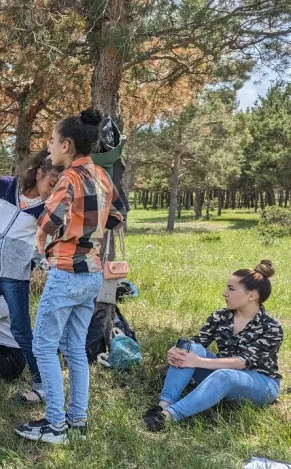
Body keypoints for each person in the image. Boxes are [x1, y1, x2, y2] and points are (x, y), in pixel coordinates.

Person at [15, 108, 126, 445]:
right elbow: (117, 216)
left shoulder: (69, 178)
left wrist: (49, 228)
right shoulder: (101, 175)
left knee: (43, 346)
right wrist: (90, 226)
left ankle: (55, 425)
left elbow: (49, 221)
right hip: (92, 273)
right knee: (75, 347)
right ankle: (77, 418)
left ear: (65, 145)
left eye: (52, 140)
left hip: (65, 272)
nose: (49, 146)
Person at [0, 149, 61, 393]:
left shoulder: (47, 208)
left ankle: (40, 384)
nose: (52, 190)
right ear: (39, 172)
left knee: (21, 330)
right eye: (51, 183)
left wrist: (34, 263)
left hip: (15, 274)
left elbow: (45, 244)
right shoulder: (5, 186)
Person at [143, 261, 283, 431]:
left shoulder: (271, 327)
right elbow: (197, 343)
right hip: (221, 372)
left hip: (261, 383)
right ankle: (163, 405)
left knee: (225, 375)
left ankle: (168, 416)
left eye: (231, 289)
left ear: (251, 296)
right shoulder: (220, 316)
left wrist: (198, 362)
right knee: (187, 348)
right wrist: (176, 351)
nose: (224, 293)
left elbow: (242, 362)